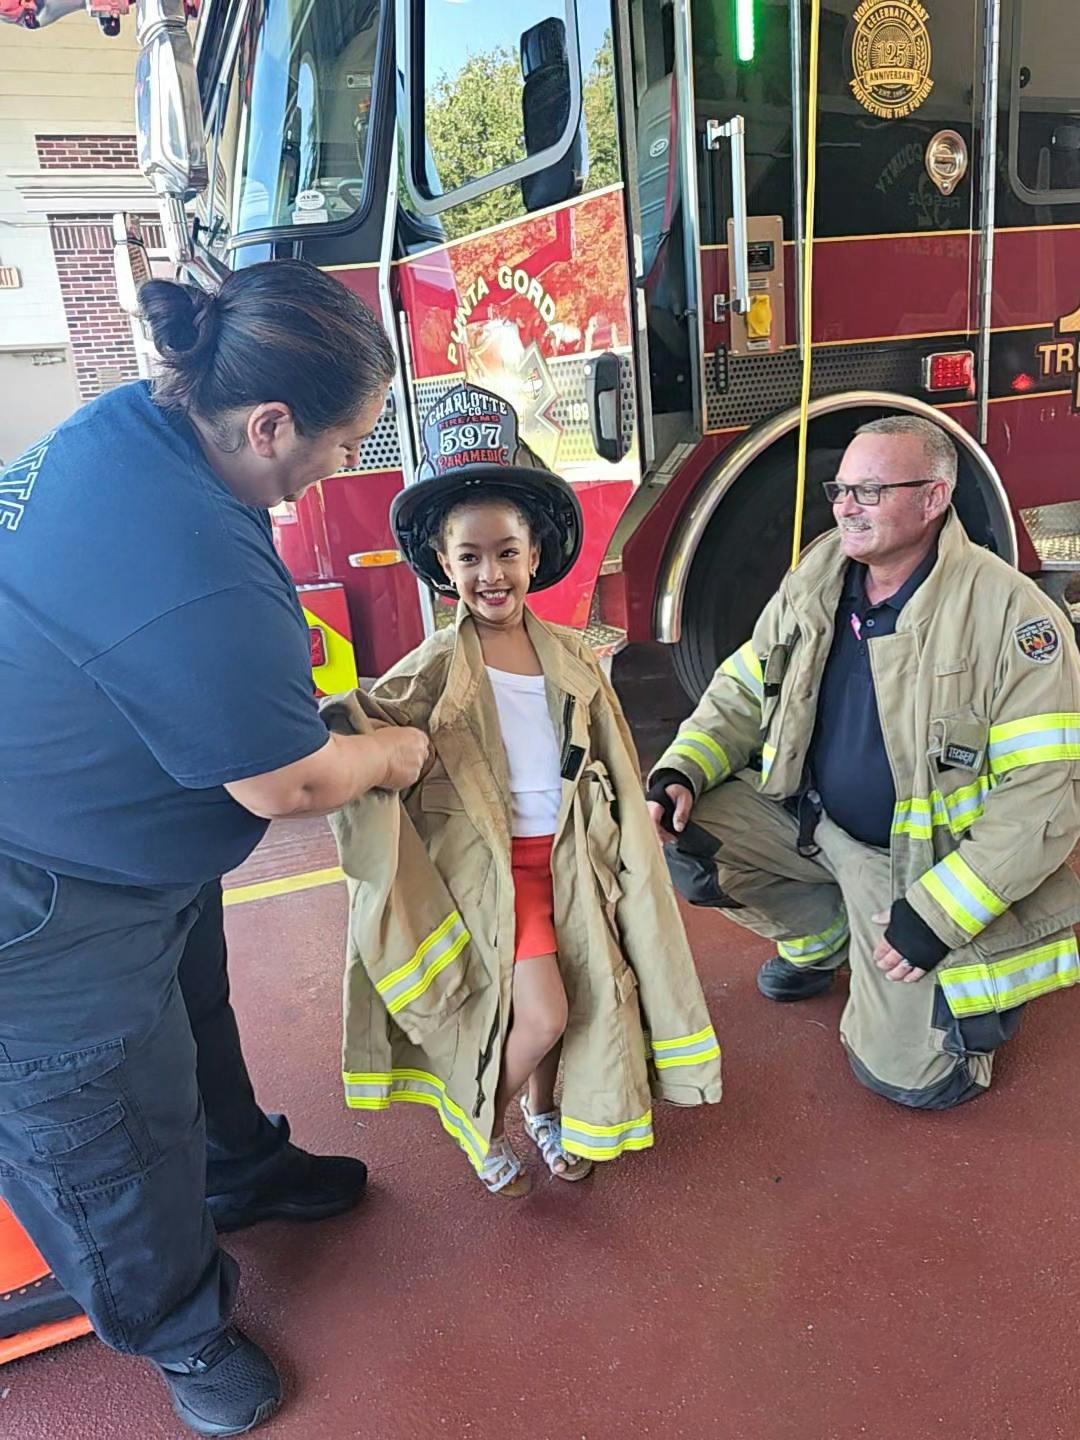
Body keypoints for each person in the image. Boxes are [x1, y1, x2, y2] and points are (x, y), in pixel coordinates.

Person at [0, 259, 429, 1436]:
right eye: (342, 442)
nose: (344, 465)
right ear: (269, 420)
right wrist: (388, 757)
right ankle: (181, 1332)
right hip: (33, 894)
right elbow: (288, 780)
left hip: (118, 833)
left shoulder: (140, 428)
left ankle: (237, 1167)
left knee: (191, 1018)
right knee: (95, 1128)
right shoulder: (186, 551)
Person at [322, 383, 721, 1196]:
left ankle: (543, 1117)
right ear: (443, 565)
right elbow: (357, 736)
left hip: (575, 862)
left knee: (569, 996)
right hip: (499, 874)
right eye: (469, 557)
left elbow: (612, 755)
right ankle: (483, 1121)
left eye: (507, 552)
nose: (491, 573)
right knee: (541, 1016)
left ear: (535, 554)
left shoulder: (574, 659)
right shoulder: (428, 674)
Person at [648, 414, 1080, 1111]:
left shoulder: (1011, 616)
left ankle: (972, 990)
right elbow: (743, 683)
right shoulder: (821, 572)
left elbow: (1046, 798)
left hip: (917, 870)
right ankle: (825, 940)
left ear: (934, 498)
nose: (846, 506)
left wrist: (938, 917)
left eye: (871, 491)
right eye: (841, 488)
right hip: (812, 825)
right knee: (692, 836)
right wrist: (679, 771)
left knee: (916, 1082)